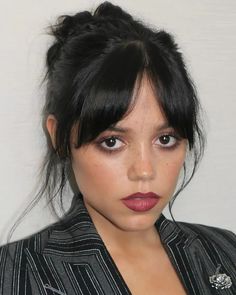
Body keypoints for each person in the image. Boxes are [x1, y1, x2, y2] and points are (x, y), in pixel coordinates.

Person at [0, 2, 235, 294]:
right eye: (112, 142)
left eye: (165, 139)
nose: (145, 171)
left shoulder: (225, 252)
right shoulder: (16, 273)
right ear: (59, 137)